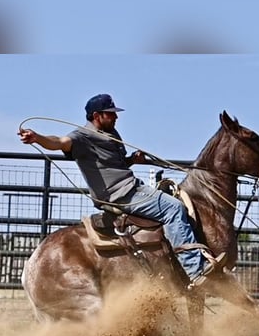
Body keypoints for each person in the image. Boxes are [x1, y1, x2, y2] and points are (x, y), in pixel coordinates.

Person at [18, 93, 225, 288]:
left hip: (131, 188)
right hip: (121, 195)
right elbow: (59, 142)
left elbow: (113, 167)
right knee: (174, 208)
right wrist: (38, 138)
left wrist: (131, 161)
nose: (116, 116)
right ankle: (194, 269)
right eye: (111, 113)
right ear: (97, 116)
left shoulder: (110, 133)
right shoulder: (82, 137)